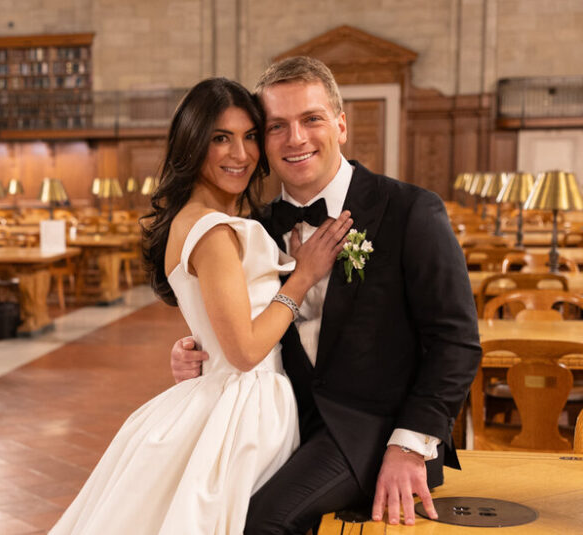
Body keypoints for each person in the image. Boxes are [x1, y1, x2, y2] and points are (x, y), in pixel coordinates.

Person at [170, 56, 481, 534]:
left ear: (340, 125)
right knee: (200, 510)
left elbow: (456, 342)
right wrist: (197, 350)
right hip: (278, 423)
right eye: (276, 126)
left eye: (311, 119)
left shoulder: (410, 210)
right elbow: (243, 326)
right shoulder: (252, 228)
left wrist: (410, 444)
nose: (295, 138)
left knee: (261, 523)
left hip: (373, 432)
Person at [50, 77, 353, 534]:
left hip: (231, 394)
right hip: (245, 408)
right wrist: (303, 276)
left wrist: (195, 346)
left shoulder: (212, 220)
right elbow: (244, 351)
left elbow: (222, 320)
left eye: (250, 136)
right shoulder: (212, 231)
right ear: (192, 143)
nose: (241, 154)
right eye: (220, 138)